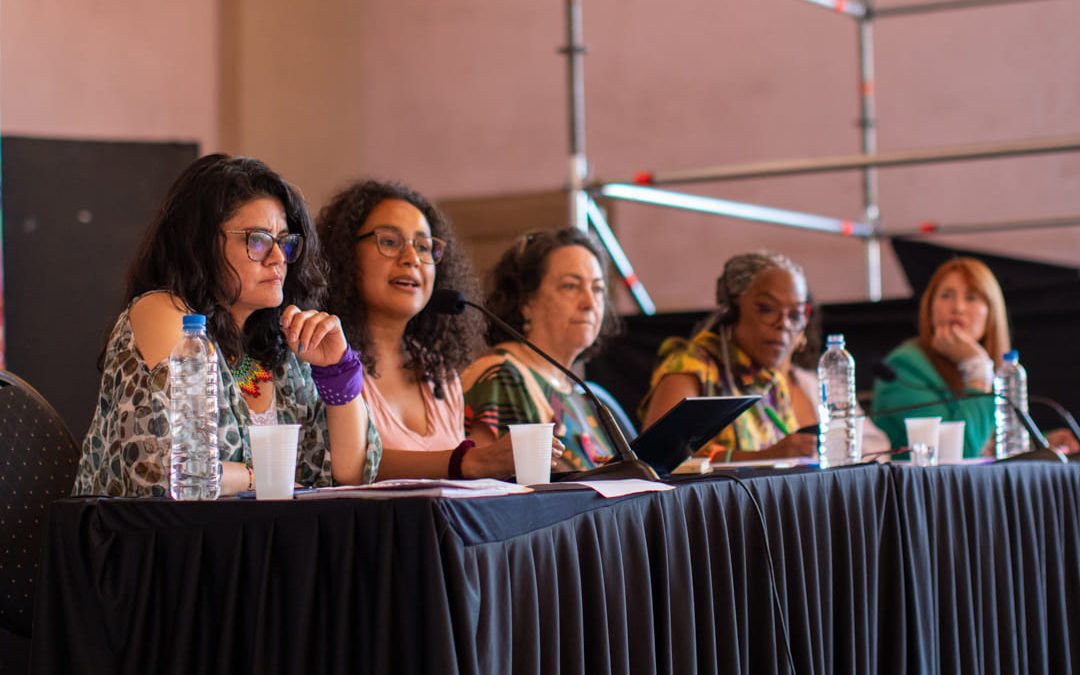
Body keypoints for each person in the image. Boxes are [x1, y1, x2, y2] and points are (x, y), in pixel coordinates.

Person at [73, 154, 380, 497]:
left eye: (284, 242)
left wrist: (337, 370)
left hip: (251, 541)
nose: (278, 258)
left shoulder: (279, 343)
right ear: (200, 244)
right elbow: (172, 473)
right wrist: (258, 478)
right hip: (153, 542)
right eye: (258, 240)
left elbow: (350, 475)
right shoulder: (163, 312)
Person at [318, 179, 556, 479]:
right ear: (345, 256)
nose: (412, 259)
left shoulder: (439, 372)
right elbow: (349, 467)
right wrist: (470, 462)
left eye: (424, 247)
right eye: (390, 242)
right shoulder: (325, 360)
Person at [461, 228, 621, 472]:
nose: (589, 303)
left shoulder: (574, 390)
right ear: (525, 301)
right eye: (570, 286)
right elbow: (489, 493)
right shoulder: (501, 376)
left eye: (597, 289)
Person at [639, 251, 818, 461]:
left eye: (795, 315)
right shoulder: (692, 366)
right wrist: (762, 457)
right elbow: (658, 458)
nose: (784, 325)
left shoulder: (772, 381)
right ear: (733, 310)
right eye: (767, 309)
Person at [871, 257, 1009, 457]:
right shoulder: (903, 367)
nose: (958, 308)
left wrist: (1043, 441)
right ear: (929, 308)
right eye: (946, 296)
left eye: (971, 298)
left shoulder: (997, 368)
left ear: (992, 312)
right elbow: (957, 452)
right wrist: (976, 368)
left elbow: (995, 441)